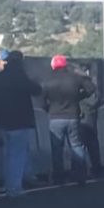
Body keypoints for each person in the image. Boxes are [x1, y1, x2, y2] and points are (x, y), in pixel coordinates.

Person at [0, 51, 42, 197]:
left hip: (2, 120)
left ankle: (9, 184)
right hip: (19, 120)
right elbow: (36, 90)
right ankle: (15, 187)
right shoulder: (19, 75)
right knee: (18, 154)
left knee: (8, 155)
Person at [42, 54, 96, 187]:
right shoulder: (75, 78)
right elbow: (91, 88)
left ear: (53, 65)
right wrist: (78, 96)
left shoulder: (47, 80)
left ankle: (59, 178)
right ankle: (80, 176)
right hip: (72, 116)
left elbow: (42, 101)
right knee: (76, 145)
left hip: (55, 117)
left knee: (57, 148)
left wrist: (49, 108)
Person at [78, 67, 104, 178]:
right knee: (92, 144)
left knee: (80, 145)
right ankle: (95, 169)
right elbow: (96, 101)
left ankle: (82, 171)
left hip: (82, 117)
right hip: (89, 117)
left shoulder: (77, 86)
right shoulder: (90, 86)